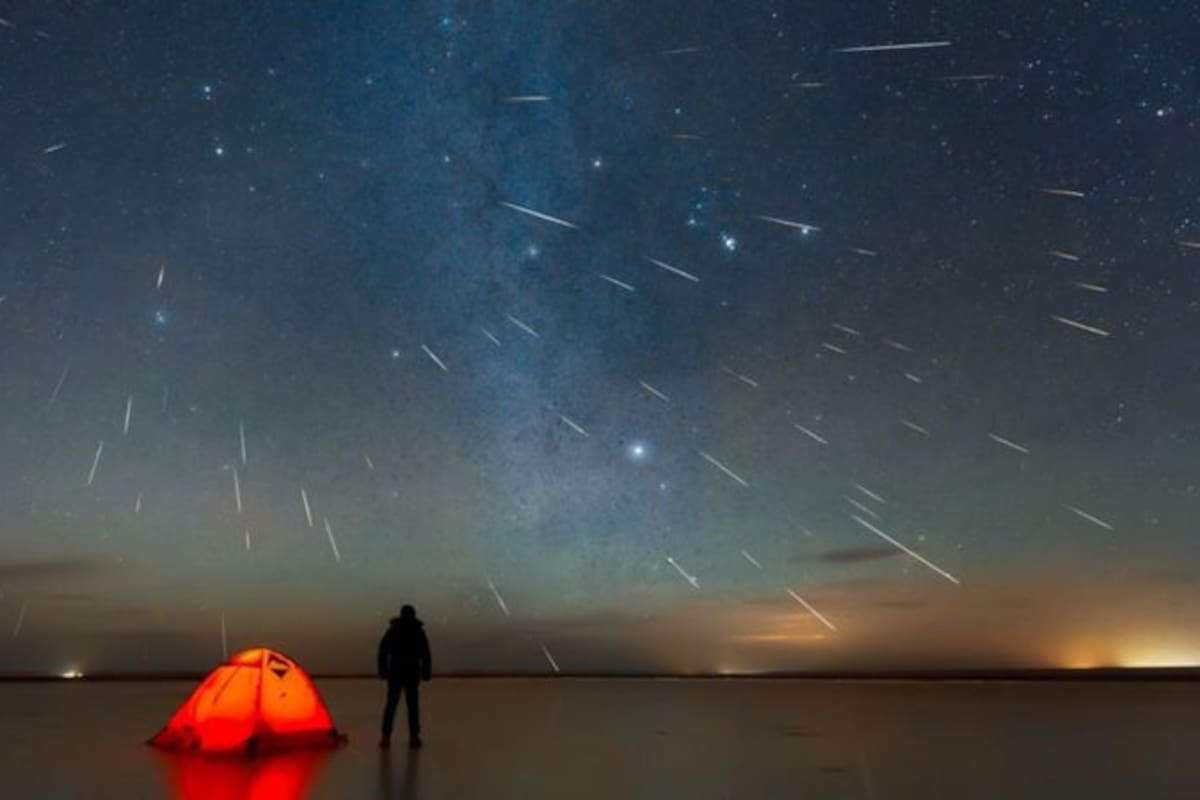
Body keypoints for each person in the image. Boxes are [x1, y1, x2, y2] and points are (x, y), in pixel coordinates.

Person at [377, 604, 432, 748]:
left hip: (400, 673)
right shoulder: (415, 632)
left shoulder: (396, 631)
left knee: (395, 706)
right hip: (407, 673)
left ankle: (387, 737)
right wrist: (426, 672)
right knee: (407, 706)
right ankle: (407, 738)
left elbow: (383, 652)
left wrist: (383, 671)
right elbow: (425, 654)